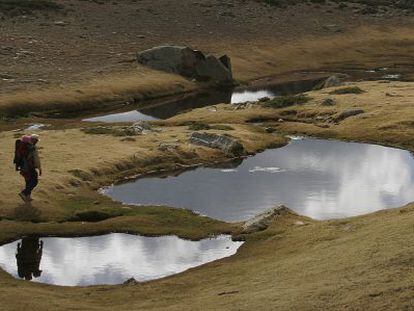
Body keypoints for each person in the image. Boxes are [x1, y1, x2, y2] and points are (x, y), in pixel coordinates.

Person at [18, 134, 42, 203]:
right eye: (37, 140)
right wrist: (39, 168)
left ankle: (27, 197)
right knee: (35, 181)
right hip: (30, 167)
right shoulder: (32, 147)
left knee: (28, 181)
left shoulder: (24, 146)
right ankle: (24, 193)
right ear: (34, 140)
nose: (37, 142)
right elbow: (36, 159)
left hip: (23, 167)